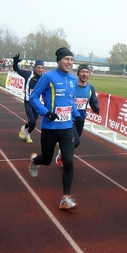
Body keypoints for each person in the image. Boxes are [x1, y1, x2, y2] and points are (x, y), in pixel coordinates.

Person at [28, 47, 83, 210]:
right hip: (50, 127)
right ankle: (34, 161)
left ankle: (65, 198)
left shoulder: (73, 80)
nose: (70, 63)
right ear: (59, 60)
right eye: (67, 59)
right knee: (46, 159)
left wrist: (77, 115)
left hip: (67, 127)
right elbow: (33, 97)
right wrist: (46, 112)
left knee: (69, 162)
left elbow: (70, 101)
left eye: (72, 60)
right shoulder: (48, 77)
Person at [55, 63, 100, 167]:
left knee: (74, 142)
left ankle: (62, 152)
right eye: (82, 72)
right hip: (69, 119)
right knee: (76, 142)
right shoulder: (72, 85)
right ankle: (65, 159)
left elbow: (93, 100)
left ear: (89, 74)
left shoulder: (90, 88)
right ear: (78, 73)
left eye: (87, 72)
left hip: (81, 119)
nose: (84, 74)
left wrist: (96, 107)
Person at [13, 54, 45, 143]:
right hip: (28, 102)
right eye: (38, 67)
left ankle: (26, 132)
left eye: (42, 68)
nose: (40, 70)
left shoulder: (44, 78)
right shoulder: (28, 74)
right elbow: (17, 70)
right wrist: (15, 63)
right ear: (34, 68)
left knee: (33, 123)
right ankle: (26, 131)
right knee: (32, 122)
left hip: (38, 104)